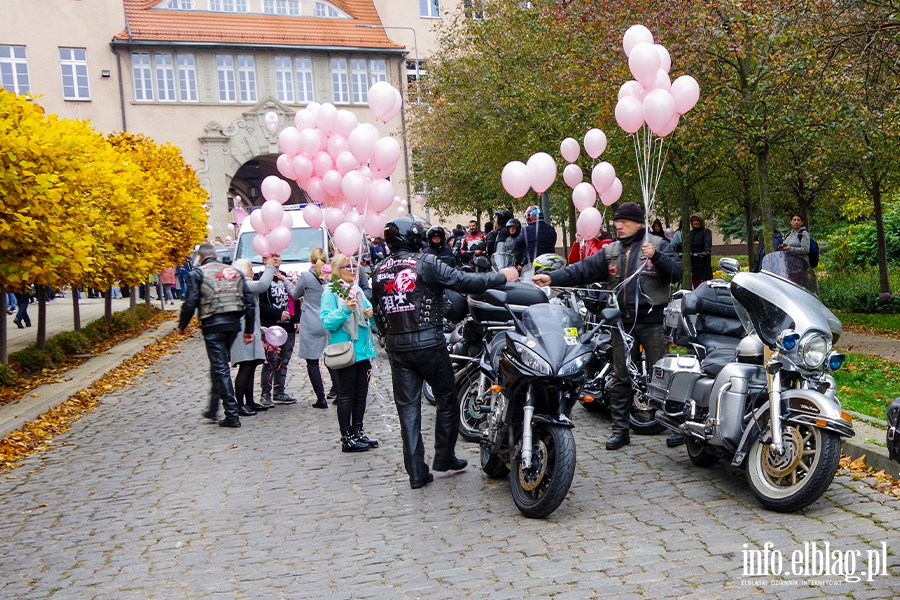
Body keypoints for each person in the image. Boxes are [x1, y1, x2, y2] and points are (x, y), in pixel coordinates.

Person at [371, 216, 519, 489]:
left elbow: (378, 311)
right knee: (447, 400)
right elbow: (463, 280)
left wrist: (388, 336)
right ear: (414, 238)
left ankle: (416, 472)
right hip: (428, 343)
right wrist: (503, 276)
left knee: (408, 411)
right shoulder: (425, 262)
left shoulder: (379, 269)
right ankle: (444, 456)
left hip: (397, 347)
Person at [532, 202, 682, 450]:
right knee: (620, 378)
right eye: (617, 221)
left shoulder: (657, 245)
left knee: (662, 376)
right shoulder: (611, 250)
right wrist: (552, 277)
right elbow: (582, 271)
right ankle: (620, 430)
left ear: (638, 223)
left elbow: (676, 272)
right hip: (622, 325)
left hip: (653, 322)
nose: (618, 225)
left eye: (624, 221)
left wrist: (657, 257)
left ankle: (676, 428)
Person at [176, 243, 255, 428]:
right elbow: (249, 302)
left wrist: (182, 326)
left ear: (200, 258)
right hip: (233, 324)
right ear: (215, 256)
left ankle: (231, 414)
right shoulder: (235, 272)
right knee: (218, 365)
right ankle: (213, 408)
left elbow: (190, 302)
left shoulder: (198, 274)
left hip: (212, 324)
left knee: (220, 367)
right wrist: (249, 330)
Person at [321, 253, 378, 452]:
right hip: (345, 350)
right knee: (346, 395)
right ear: (338, 270)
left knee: (361, 394)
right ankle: (346, 437)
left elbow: (371, 319)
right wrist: (345, 310)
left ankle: (358, 431)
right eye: (348, 267)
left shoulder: (358, 291)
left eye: (355, 267)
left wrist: (371, 315)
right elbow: (326, 321)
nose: (353, 270)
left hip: (363, 349)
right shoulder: (331, 290)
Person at [229, 257, 277, 416]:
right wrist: (269, 267)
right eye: (250, 268)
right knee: (246, 366)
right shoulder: (243, 283)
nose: (253, 271)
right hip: (243, 332)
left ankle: (249, 401)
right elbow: (263, 285)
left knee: (251, 366)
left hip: (250, 330)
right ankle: (240, 404)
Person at [291, 247, 335, 409]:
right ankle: (338, 391)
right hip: (328, 320)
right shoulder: (331, 276)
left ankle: (321, 398)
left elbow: (296, 295)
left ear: (311, 260)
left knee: (312, 362)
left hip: (310, 320)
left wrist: (285, 282)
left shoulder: (306, 276)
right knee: (332, 358)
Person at [256, 253, 299, 406]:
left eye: (278, 256)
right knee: (270, 361)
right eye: (271, 256)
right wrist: (278, 313)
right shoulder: (259, 279)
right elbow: (259, 305)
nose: (275, 259)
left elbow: (296, 298)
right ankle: (265, 393)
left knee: (284, 360)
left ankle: (279, 391)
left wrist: (297, 319)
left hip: (287, 326)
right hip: (270, 326)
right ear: (264, 260)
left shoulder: (285, 277)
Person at [688, 213, 713, 289]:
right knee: (695, 282)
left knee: (707, 282)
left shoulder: (706, 232)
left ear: (701, 221)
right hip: (693, 261)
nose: (695, 223)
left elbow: (707, 242)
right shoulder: (690, 233)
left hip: (703, 261)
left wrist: (706, 251)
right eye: (694, 221)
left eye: (697, 221)